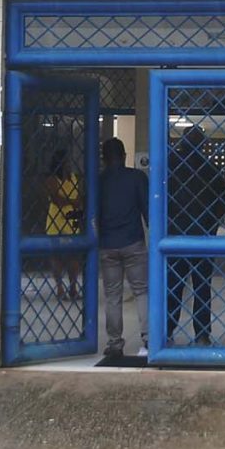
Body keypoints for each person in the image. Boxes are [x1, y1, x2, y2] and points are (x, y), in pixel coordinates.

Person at [167, 126, 225, 345]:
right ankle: (202, 334)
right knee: (202, 287)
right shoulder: (209, 168)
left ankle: (167, 331)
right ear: (202, 145)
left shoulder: (170, 165)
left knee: (173, 286)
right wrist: (212, 221)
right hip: (203, 237)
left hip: (175, 238)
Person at [95, 136, 149, 358]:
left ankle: (114, 343)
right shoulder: (136, 177)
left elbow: (93, 213)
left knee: (112, 295)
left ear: (103, 159)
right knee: (141, 291)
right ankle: (148, 338)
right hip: (133, 242)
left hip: (108, 244)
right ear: (125, 156)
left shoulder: (98, 181)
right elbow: (148, 210)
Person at [42, 148, 83, 303]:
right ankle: (59, 287)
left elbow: (77, 197)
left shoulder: (73, 177)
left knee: (74, 255)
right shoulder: (52, 179)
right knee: (57, 255)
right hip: (56, 219)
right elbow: (56, 200)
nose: (68, 165)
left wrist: (74, 203)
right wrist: (73, 202)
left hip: (72, 218)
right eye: (65, 162)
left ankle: (73, 287)